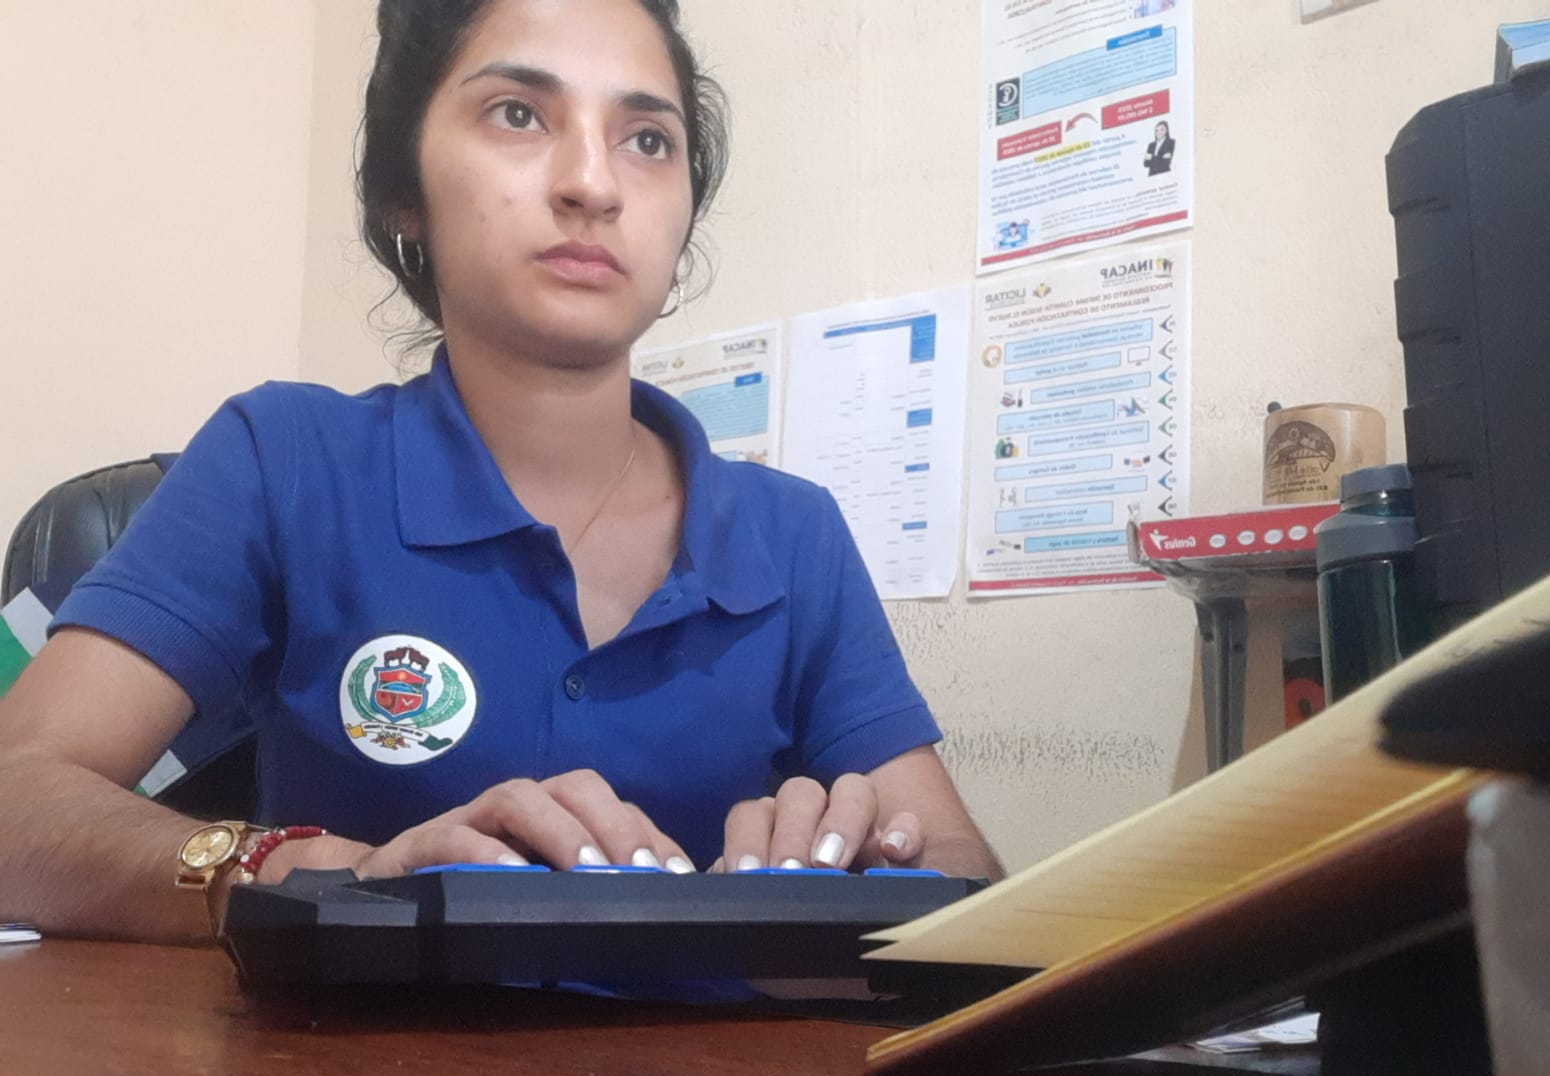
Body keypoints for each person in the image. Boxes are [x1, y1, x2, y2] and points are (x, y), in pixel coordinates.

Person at [0, 0, 1001, 945]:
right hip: (347, 1067)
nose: (594, 184)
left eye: (647, 139)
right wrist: (323, 874)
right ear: (402, 191)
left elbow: (970, 884)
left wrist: (859, 866)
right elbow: (15, 801)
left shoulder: (793, 533)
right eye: (519, 113)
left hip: (717, 1071)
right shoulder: (284, 459)